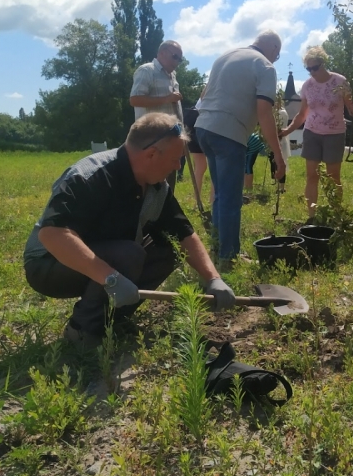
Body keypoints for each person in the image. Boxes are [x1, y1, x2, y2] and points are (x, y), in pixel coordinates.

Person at [23, 113, 236, 348]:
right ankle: (82, 331)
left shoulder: (155, 187)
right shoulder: (90, 177)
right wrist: (110, 278)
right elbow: (52, 235)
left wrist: (213, 279)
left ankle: (112, 319)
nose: (178, 166)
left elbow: (183, 232)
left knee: (170, 249)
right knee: (128, 253)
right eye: (176, 159)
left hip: (106, 259)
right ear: (152, 154)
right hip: (48, 264)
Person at [194, 31, 286, 263]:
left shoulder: (226, 56)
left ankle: (218, 247)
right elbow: (264, 113)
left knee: (220, 194)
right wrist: (278, 154)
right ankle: (229, 256)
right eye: (278, 53)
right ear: (273, 48)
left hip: (203, 128)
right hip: (228, 133)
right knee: (230, 198)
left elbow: (204, 96)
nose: (277, 58)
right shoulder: (265, 66)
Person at [280, 46, 353, 222]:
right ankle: (312, 216)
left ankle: (336, 214)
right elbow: (302, 115)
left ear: (323, 63)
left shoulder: (340, 81)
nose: (312, 72)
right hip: (312, 133)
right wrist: (287, 131)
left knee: (333, 177)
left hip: (335, 133)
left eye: (315, 68)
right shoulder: (307, 86)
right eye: (308, 69)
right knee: (312, 175)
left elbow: (350, 107)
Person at [129, 40, 185, 190]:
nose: (177, 62)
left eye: (180, 59)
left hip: (171, 138)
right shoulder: (147, 71)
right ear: (161, 53)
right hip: (152, 140)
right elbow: (135, 99)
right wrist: (167, 98)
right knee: (151, 185)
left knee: (168, 186)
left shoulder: (172, 75)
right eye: (175, 57)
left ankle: (166, 212)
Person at [270, 97, 291, 193]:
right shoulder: (279, 112)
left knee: (279, 163)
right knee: (274, 162)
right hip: (277, 140)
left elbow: (278, 126)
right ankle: (279, 186)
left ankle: (281, 187)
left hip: (280, 140)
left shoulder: (281, 113)